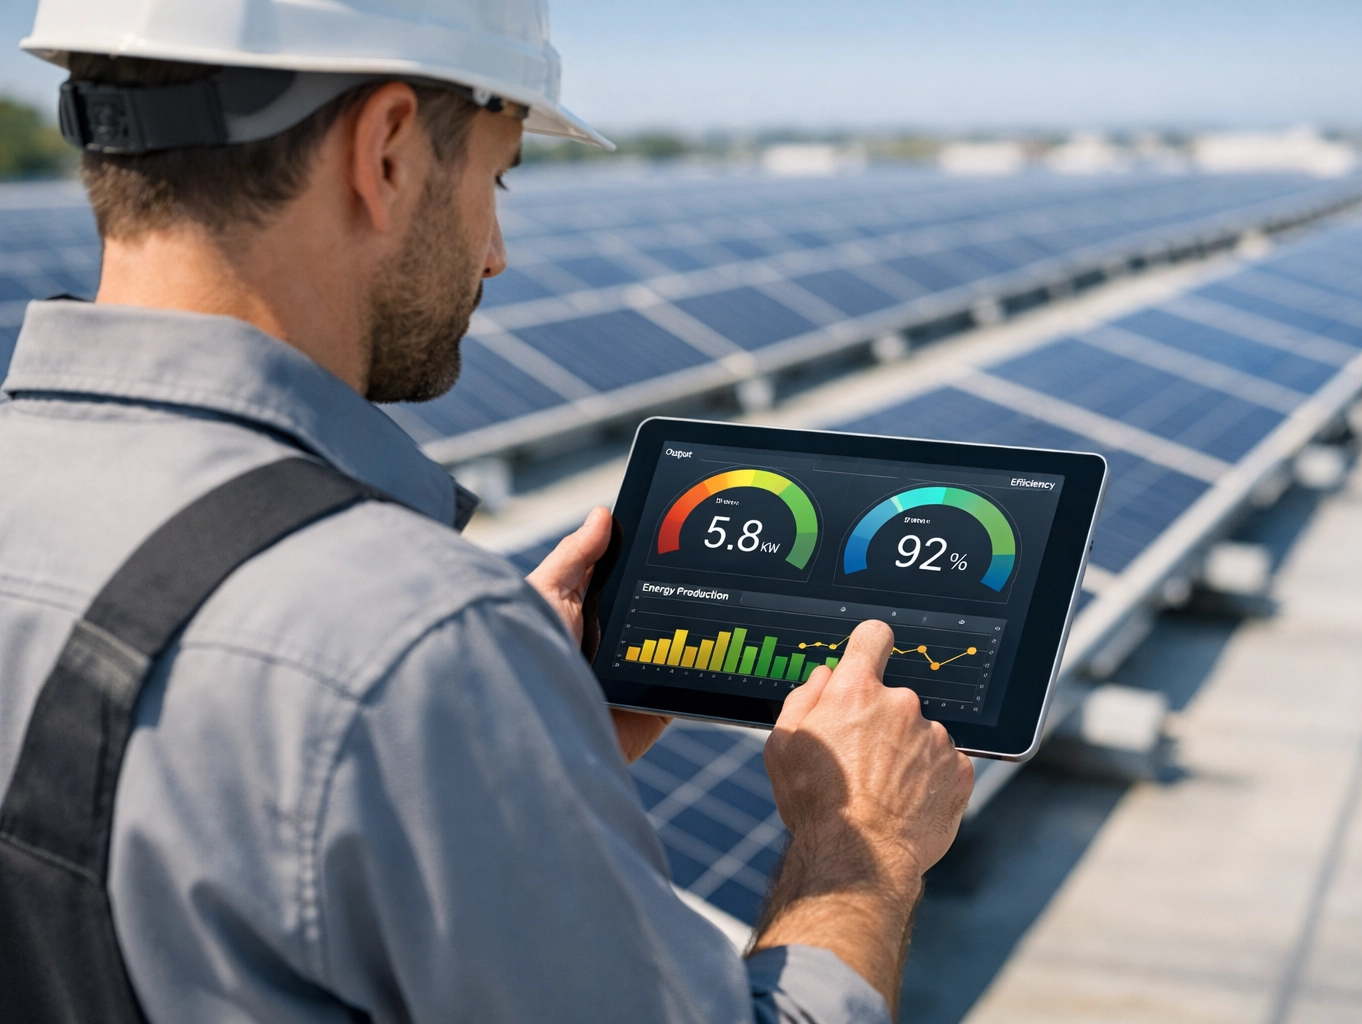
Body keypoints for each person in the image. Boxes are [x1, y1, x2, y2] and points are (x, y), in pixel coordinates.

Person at [0, 2, 974, 1022]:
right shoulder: (405, 643)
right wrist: (859, 845)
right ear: (383, 151)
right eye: (495, 178)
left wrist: (493, 738)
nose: (496, 250)